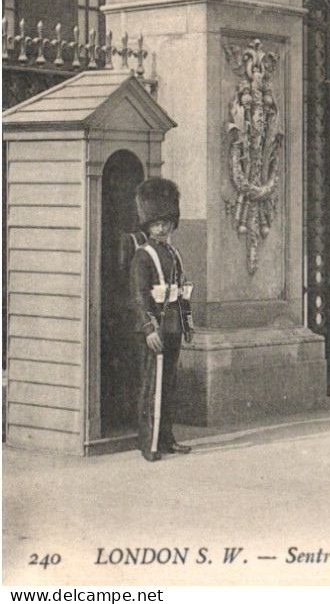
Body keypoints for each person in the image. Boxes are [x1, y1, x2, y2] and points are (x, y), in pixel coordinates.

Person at [129, 178, 194, 462]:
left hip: (173, 327)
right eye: (157, 223)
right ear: (147, 224)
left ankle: (166, 439)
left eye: (167, 222)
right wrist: (148, 328)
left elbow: (181, 290)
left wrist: (187, 322)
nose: (163, 228)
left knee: (169, 385)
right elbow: (139, 296)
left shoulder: (173, 253)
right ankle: (149, 444)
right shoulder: (143, 257)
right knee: (151, 385)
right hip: (155, 329)